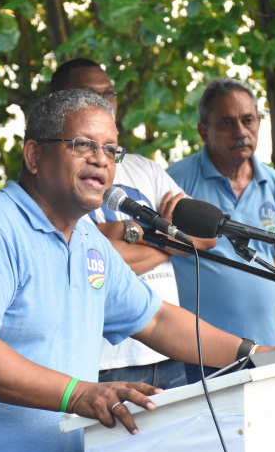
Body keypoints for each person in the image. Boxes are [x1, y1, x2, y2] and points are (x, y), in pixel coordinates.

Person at [0, 89, 275, 452]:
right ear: (34, 155)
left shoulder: (88, 241)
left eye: (112, 150)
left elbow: (157, 319)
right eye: (83, 145)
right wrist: (79, 393)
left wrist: (256, 354)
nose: (101, 160)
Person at [51, 58, 214, 390]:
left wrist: (135, 237)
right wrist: (166, 238)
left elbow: (204, 235)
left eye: (108, 92)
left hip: (169, 349)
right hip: (104, 363)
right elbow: (89, 263)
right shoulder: (57, 176)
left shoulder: (146, 169)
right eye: (88, 93)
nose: (103, 102)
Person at [166, 77, 275, 382]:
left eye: (248, 120)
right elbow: (158, 252)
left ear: (260, 122)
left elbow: (274, 259)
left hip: (266, 347)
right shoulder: (176, 180)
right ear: (203, 131)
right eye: (226, 123)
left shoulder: (273, 182)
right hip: (200, 353)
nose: (240, 131)